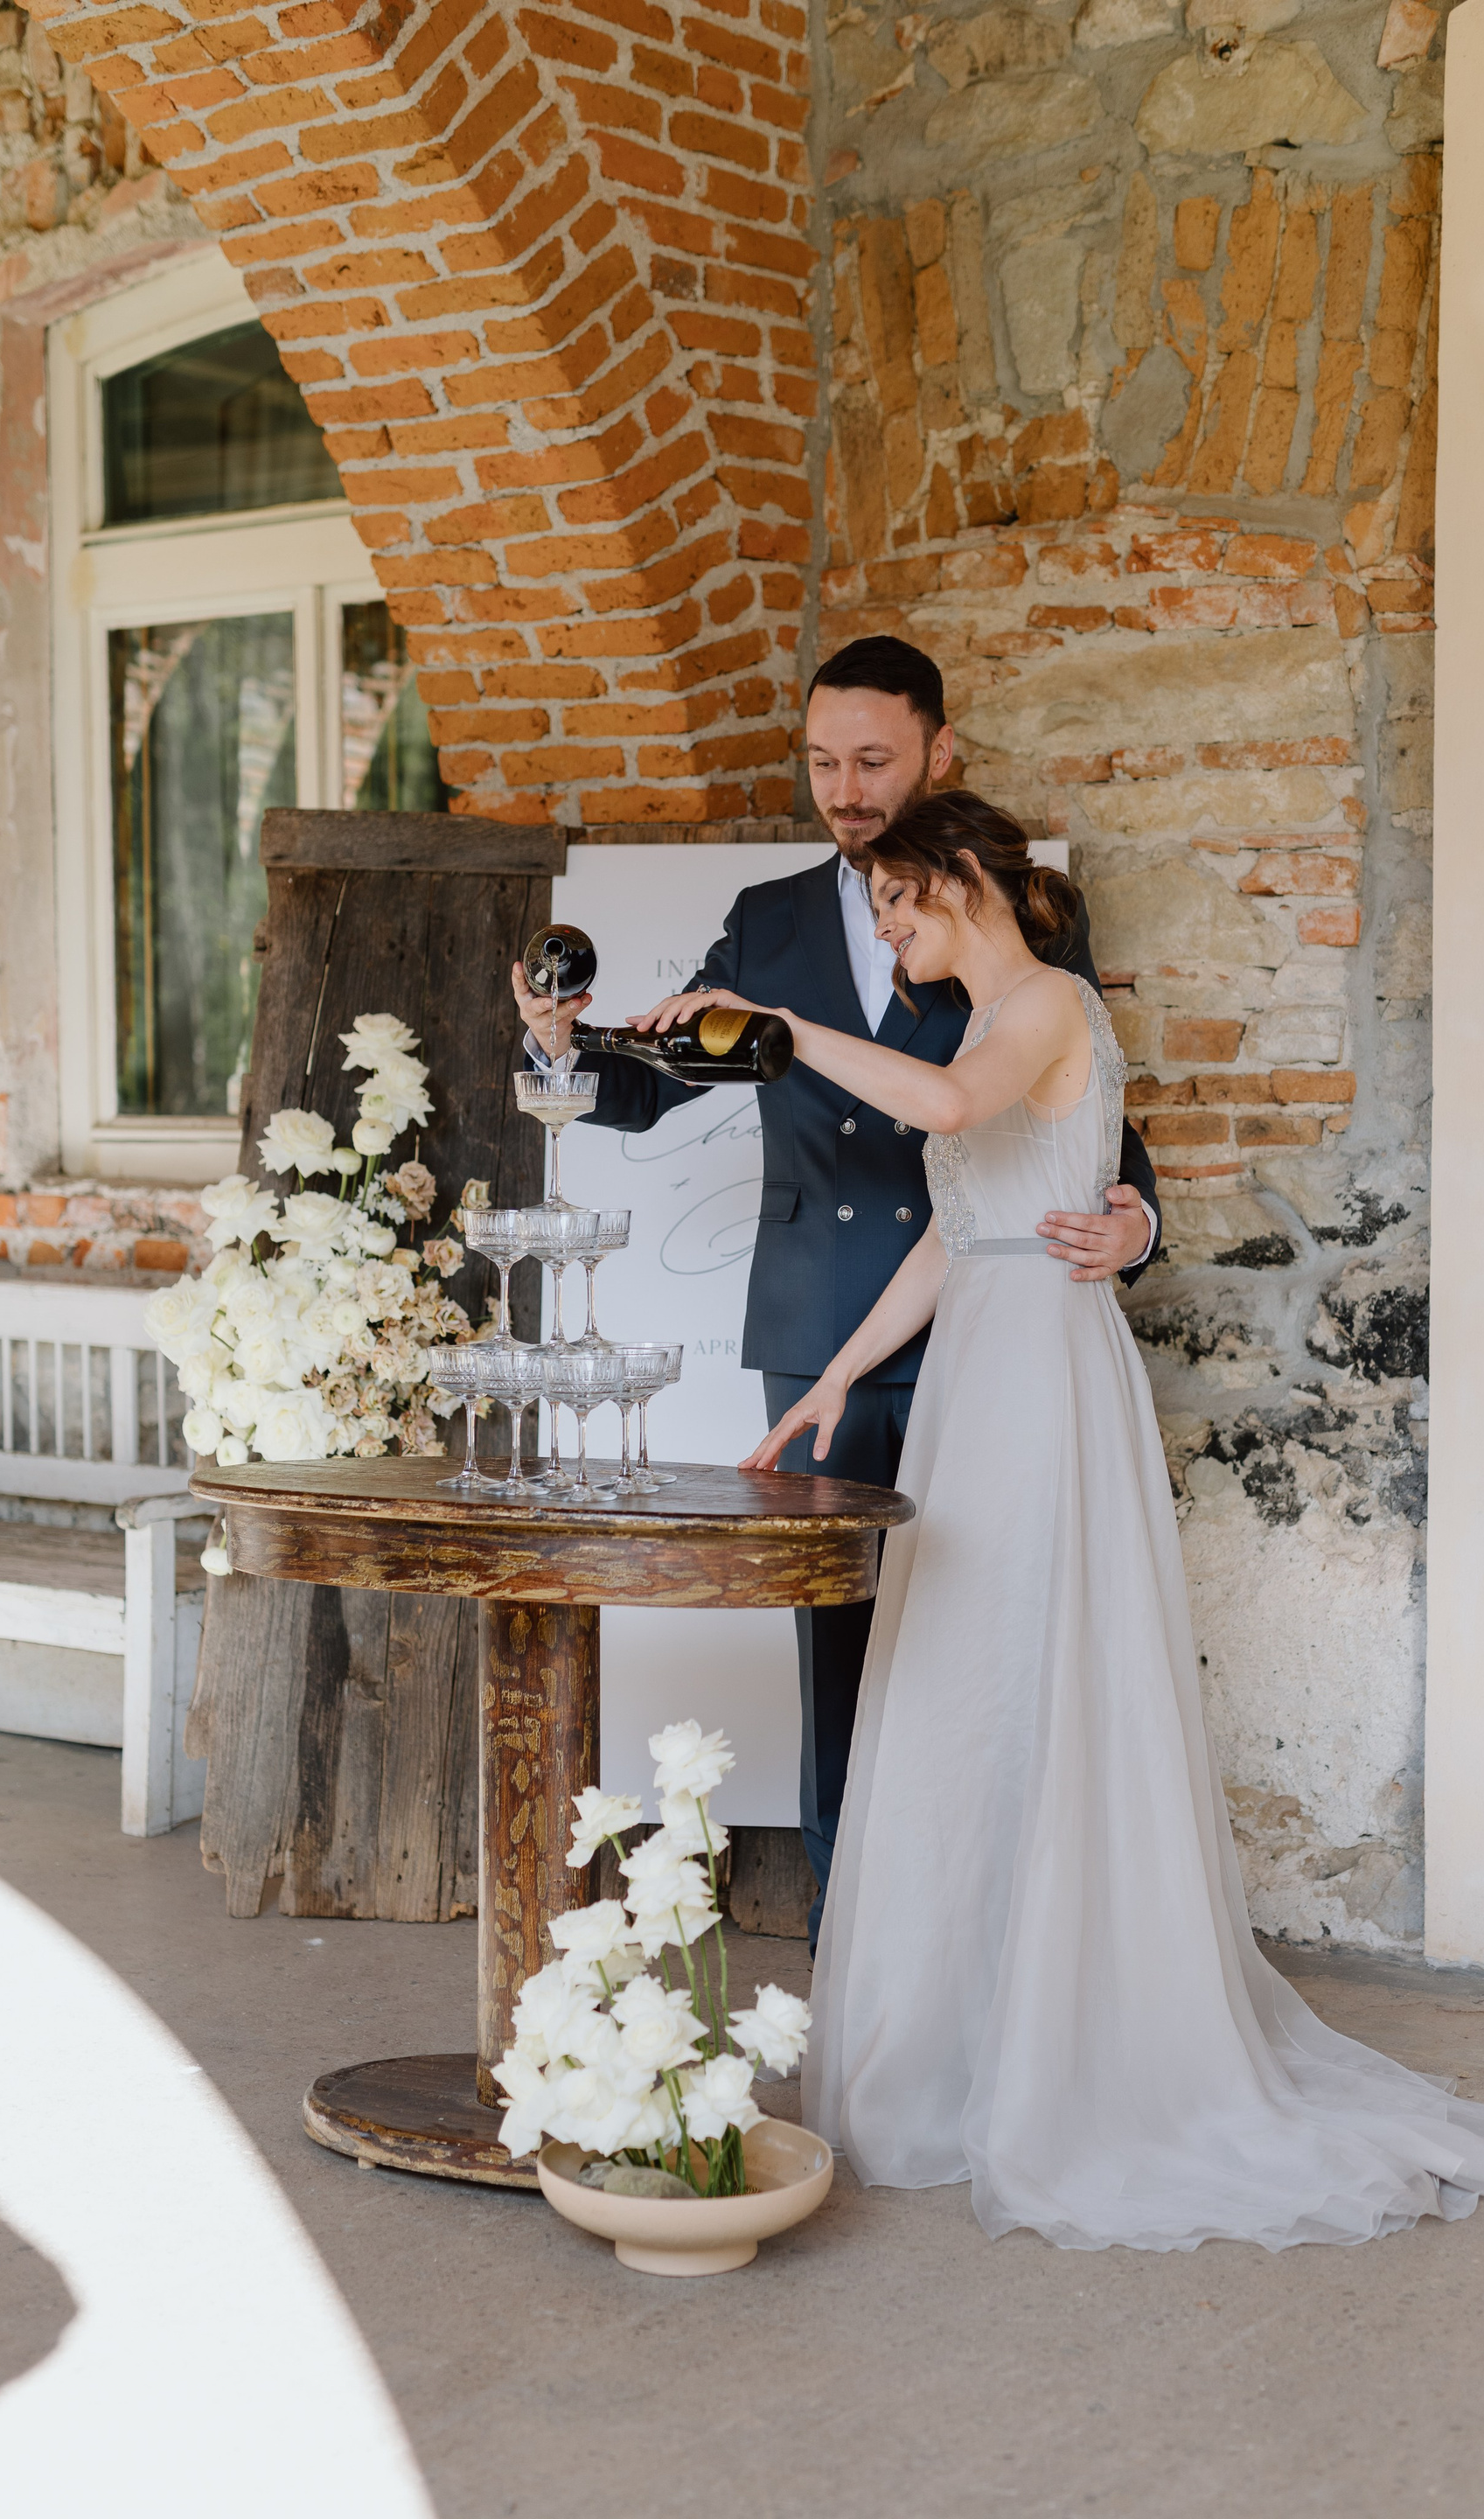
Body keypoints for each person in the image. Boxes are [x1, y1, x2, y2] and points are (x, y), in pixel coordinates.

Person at [645, 789, 1484, 2254]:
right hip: (979, 1371)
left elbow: (950, 1118)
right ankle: (963, 2040)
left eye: (899, 902)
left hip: (1046, 1383)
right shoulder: (976, 1022)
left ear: (960, 880)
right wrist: (843, 1379)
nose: (888, 930)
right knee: (962, 1691)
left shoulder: (1047, 1004)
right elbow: (960, 1230)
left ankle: (1068, 2048)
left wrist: (784, 1028)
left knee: (1037, 1680)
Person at [513, 635, 1161, 1946]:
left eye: (873, 761)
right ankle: (850, 1934)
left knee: (999, 1631)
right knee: (841, 1644)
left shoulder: (1012, 916)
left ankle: (1012, 1930)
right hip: (825, 1329)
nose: (846, 791)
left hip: (995, 1315)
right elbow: (664, 1080)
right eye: (822, 763)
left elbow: (1074, 1103)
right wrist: (560, 1049)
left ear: (940, 752)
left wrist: (1136, 1220)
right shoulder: (769, 919)